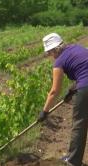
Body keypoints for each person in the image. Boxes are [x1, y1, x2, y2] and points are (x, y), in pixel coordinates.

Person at [38, 33, 88, 166]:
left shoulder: (59, 62)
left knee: (79, 125)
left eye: (49, 52)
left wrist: (45, 111)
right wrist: (72, 91)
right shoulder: (77, 48)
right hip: (83, 84)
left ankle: (73, 161)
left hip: (85, 87)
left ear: (55, 49)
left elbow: (54, 91)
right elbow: (83, 68)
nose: (49, 55)